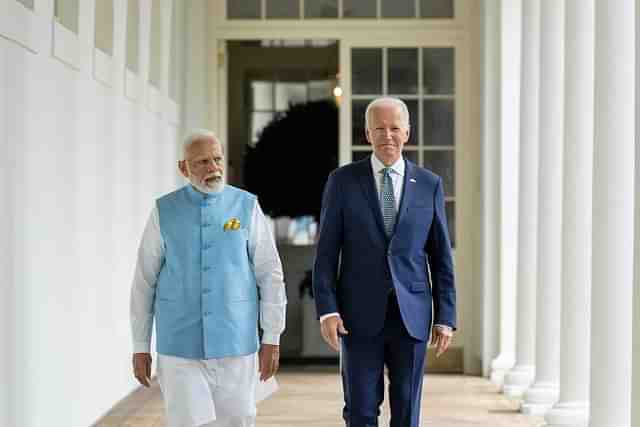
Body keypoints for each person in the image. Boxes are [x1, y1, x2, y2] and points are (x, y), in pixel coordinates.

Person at [313, 97, 456, 427]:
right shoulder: (343, 181)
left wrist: (445, 316)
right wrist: (328, 310)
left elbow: (440, 256)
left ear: (407, 132)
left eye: (394, 128)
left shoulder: (430, 184)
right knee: (361, 410)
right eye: (379, 128)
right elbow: (325, 254)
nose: (387, 135)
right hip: (358, 316)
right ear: (367, 133)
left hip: (413, 315)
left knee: (407, 411)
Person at [130, 129, 287, 427]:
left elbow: (270, 274)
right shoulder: (163, 211)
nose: (213, 168)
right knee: (187, 422)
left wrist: (272, 337)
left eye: (217, 159)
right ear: (183, 168)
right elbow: (144, 282)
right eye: (201, 162)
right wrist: (140, 345)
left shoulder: (247, 206)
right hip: (179, 345)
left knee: (239, 421)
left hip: (237, 340)